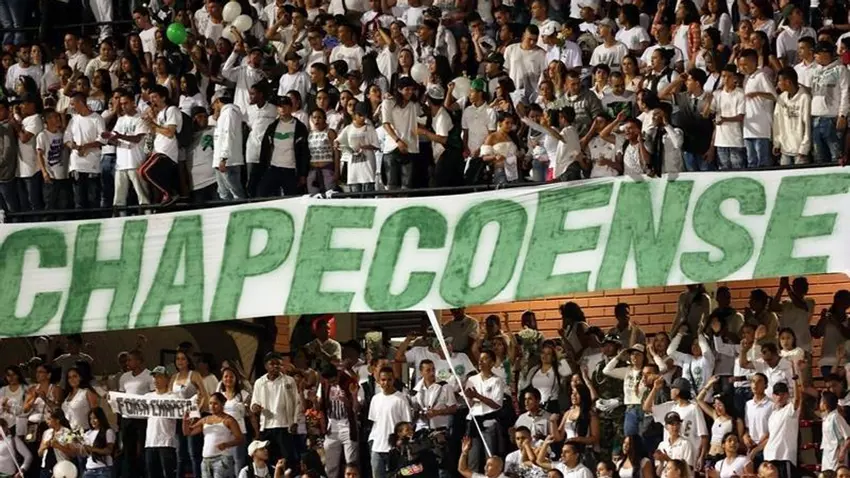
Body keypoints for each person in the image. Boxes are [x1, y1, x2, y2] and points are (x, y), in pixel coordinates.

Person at [250, 353, 299, 468]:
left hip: (284, 425)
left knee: (287, 458)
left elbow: (296, 402)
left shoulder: (289, 381)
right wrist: (255, 407)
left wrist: (294, 421)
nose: (276, 366)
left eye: (278, 364)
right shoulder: (260, 382)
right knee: (269, 458)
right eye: (272, 364)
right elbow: (254, 402)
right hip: (266, 426)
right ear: (266, 366)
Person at [182, 393, 244, 478]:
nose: (212, 406)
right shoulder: (205, 420)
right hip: (206, 460)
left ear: (222, 404)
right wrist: (185, 421)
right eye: (210, 403)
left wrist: (226, 444)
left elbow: (240, 439)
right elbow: (188, 432)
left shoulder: (229, 420)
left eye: (215, 404)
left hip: (222, 459)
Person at [368, 367, 412, 478]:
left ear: (393, 380)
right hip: (377, 447)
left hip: (395, 449)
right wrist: (372, 440)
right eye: (383, 380)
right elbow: (375, 423)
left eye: (389, 380)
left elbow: (407, 424)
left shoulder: (401, 399)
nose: (386, 383)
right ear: (379, 381)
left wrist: (401, 441)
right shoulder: (375, 399)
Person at [762, 379, 802, 478]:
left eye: (782, 394)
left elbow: (797, 399)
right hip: (769, 456)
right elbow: (771, 437)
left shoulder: (790, 409)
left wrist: (795, 380)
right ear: (773, 396)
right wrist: (755, 450)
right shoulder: (772, 415)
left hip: (785, 456)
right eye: (777, 394)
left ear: (787, 395)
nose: (779, 397)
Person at [144, 366, 179, 478]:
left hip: (166, 441)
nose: (156, 380)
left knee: (168, 473)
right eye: (154, 377)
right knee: (152, 474)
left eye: (159, 377)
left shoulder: (173, 397)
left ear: (167, 379)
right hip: (150, 441)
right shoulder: (147, 397)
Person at [211, 89, 246, 199]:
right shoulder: (226, 114)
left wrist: (224, 157)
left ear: (217, 101)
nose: (214, 108)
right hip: (221, 161)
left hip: (228, 162)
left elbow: (228, 134)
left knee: (236, 193)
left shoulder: (229, 113)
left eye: (213, 105)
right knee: (224, 193)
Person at [772, 67, 811, 165]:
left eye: (779, 81)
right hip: (785, 149)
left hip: (800, 151)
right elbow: (777, 122)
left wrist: (804, 148)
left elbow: (807, 124)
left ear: (788, 82)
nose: (778, 84)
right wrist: (777, 143)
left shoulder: (804, 98)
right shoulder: (781, 98)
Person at [820, 391, 850, 472]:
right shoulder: (826, 418)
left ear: (825, 404)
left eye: (821, 401)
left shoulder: (836, 417)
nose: (820, 404)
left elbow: (848, 437)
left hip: (836, 455)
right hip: (827, 455)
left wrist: (842, 452)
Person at [81, 408, 115, 478]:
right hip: (89, 468)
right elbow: (85, 454)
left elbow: (109, 450)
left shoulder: (108, 431)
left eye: (95, 418)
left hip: (103, 469)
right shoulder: (88, 433)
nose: (92, 421)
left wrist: (93, 449)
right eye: (90, 419)